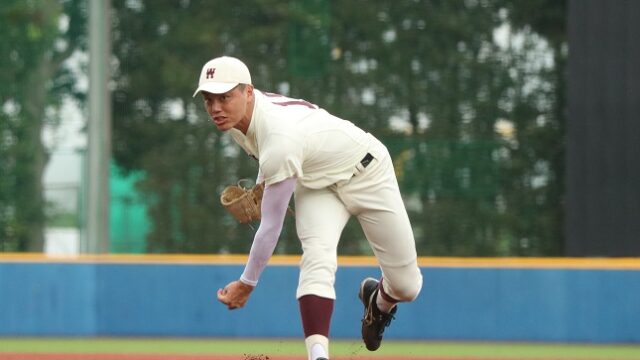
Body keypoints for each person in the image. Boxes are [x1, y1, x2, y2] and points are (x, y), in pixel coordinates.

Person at [193, 56, 423, 360]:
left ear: (248, 92)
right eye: (209, 99)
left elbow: (271, 225)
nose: (216, 108)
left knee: (407, 288)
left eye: (225, 97)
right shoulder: (236, 122)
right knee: (317, 259)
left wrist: (247, 283)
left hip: (367, 172)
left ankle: (378, 302)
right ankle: (318, 356)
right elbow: (272, 157)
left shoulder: (278, 136)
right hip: (316, 186)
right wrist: (263, 182)